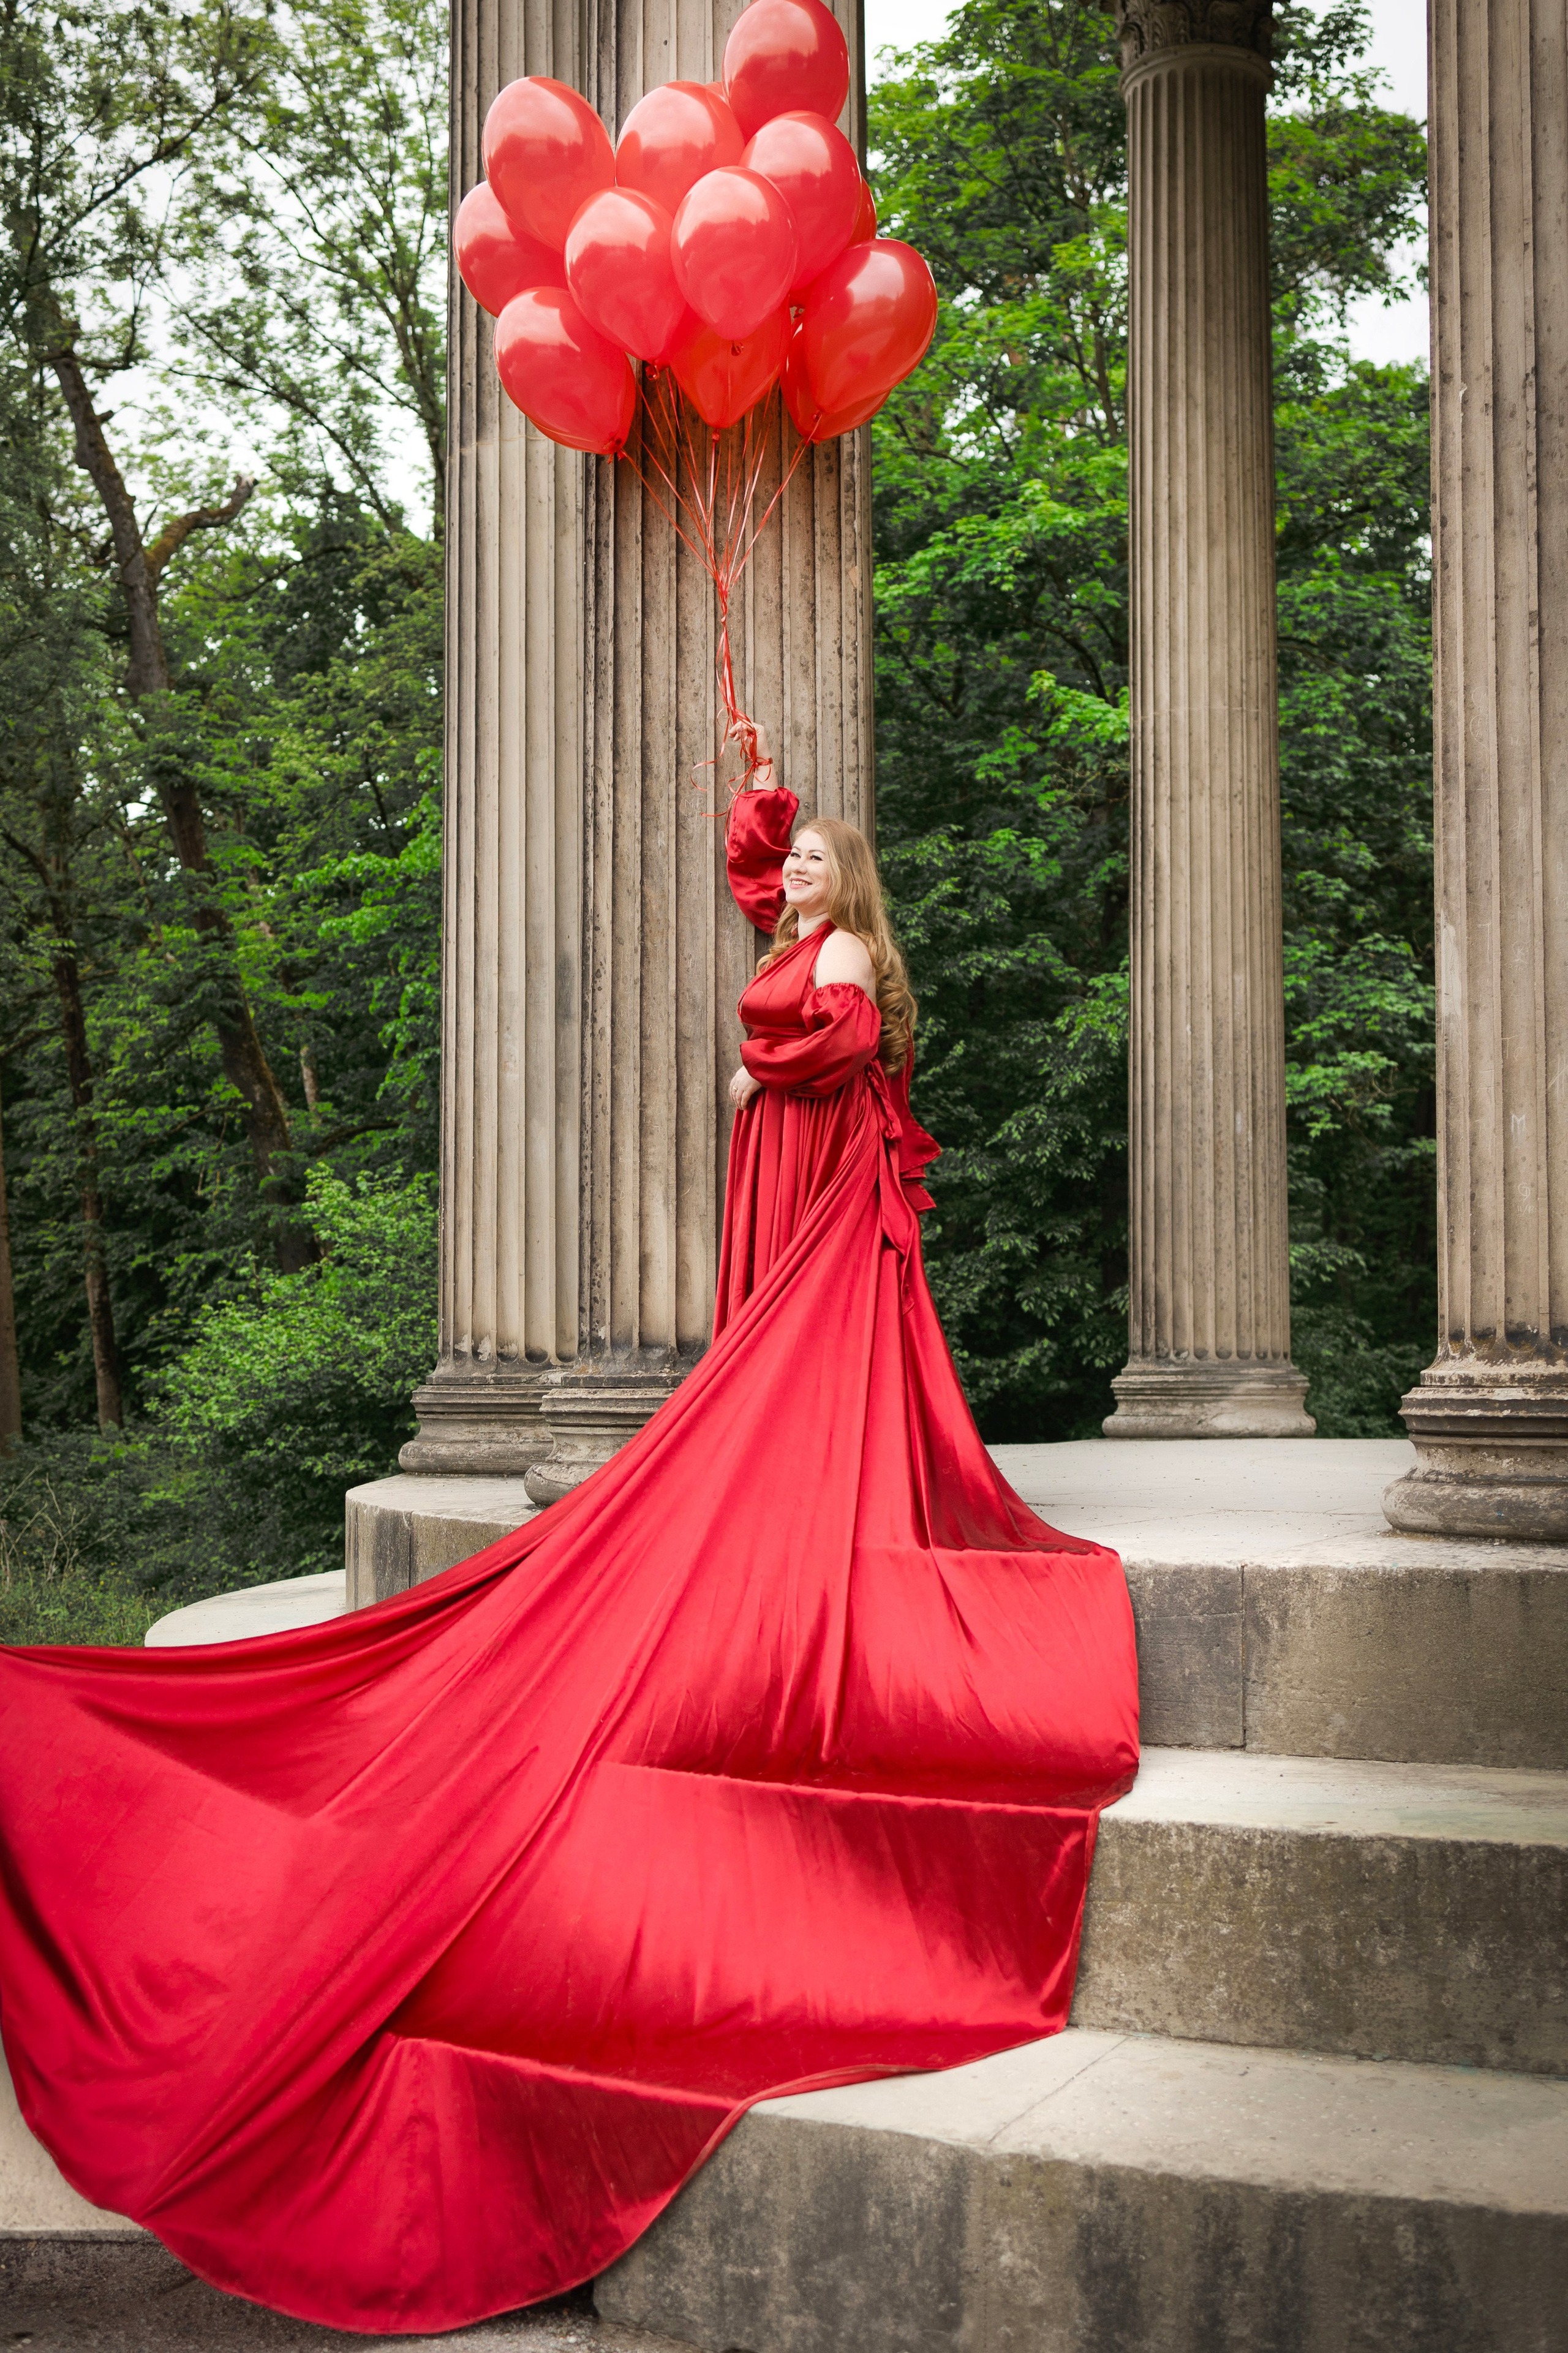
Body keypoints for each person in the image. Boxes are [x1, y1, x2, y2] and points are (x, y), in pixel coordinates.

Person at [0, 760, 1139, 2336]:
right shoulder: (788, 914)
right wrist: (754, 793)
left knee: (816, 1373)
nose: (796, 879)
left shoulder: (855, 958)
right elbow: (755, 900)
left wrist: (760, 1070)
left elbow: (838, 1035)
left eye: (815, 861)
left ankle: (838, 1487)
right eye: (794, 865)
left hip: (817, 1183)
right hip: (787, 1175)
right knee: (775, 1381)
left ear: (852, 882)